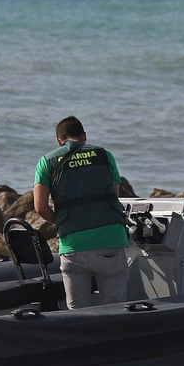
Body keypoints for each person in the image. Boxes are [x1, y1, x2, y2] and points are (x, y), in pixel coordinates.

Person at [33, 116, 130, 309]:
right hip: (110, 241)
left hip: (73, 246)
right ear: (84, 136)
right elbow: (114, 195)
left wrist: (63, 222)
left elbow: (40, 207)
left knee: (78, 313)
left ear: (59, 141)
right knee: (115, 309)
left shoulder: (46, 162)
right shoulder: (104, 155)